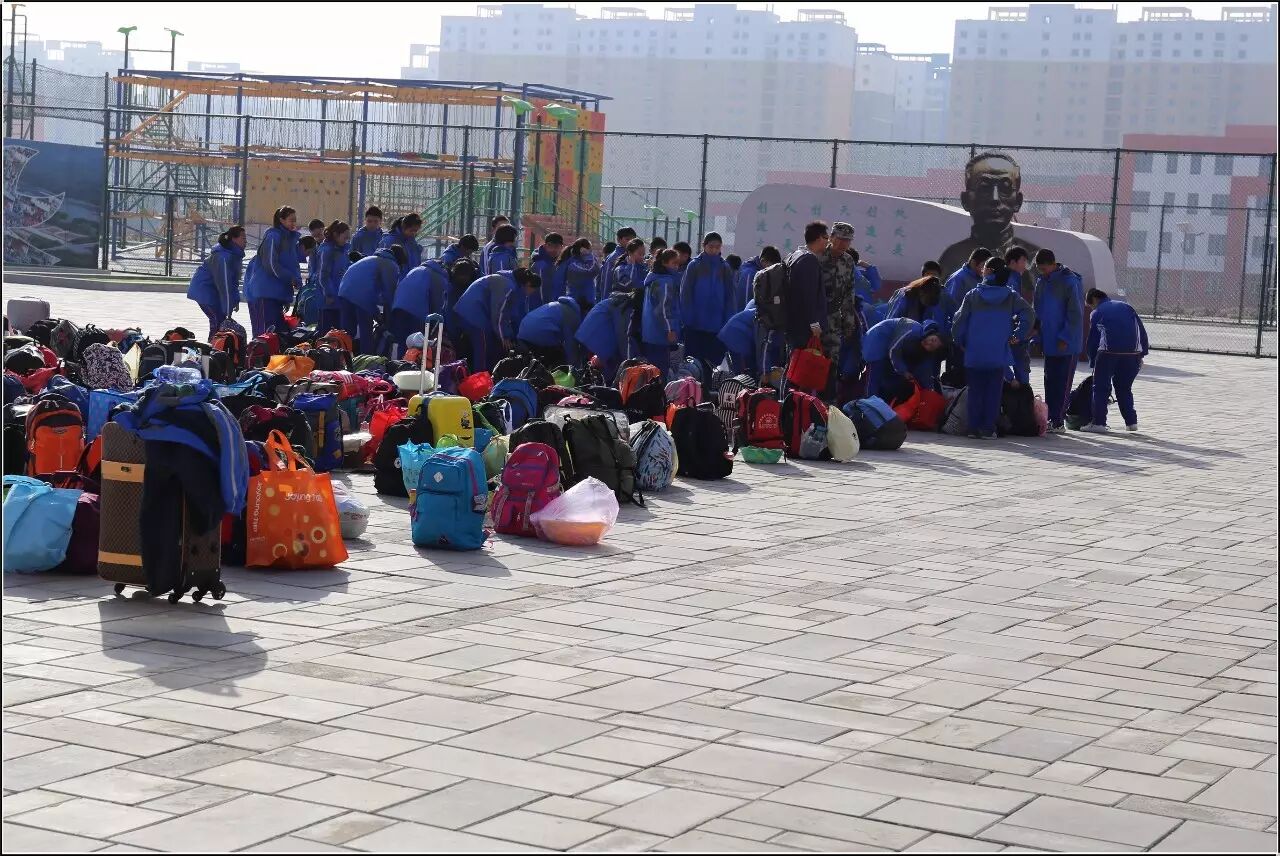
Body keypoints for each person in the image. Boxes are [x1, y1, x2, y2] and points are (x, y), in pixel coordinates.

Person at [952, 256, 1035, 439]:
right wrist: (1018, 335)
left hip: (975, 352)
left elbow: (959, 321)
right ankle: (988, 428)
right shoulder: (1011, 296)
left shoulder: (973, 295)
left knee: (975, 391)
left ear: (988, 272)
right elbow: (1029, 313)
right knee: (993, 393)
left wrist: (960, 341)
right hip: (998, 352)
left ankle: (973, 428)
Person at [938, 151, 1041, 280]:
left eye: (1005, 188)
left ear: (1018, 201)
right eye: (984, 188)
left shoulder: (1035, 260)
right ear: (966, 200)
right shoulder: (952, 259)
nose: (995, 198)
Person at [1034, 249, 1086, 432]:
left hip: (1066, 343)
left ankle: (1058, 421)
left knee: (1062, 383)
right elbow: (1037, 309)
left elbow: (1075, 313)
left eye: (1044, 268)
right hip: (1049, 341)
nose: (1042, 272)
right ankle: (1050, 417)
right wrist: (1037, 334)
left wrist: (1065, 336)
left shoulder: (1070, 281)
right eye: (1039, 269)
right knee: (1050, 380)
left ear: (1053, 264)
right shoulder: (1042, 281)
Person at [1084, 287, 1148, 433]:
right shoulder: (1127, 307)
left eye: (1090, 305)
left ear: (1094, 300)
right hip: (1132, 354)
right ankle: (1131, 422)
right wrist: (1142, 353)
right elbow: (1141, 330)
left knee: (1101, 387)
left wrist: (1092, 360)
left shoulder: (1097, 312)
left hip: (1108, 353)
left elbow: (1093, 339)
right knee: (1124, 388)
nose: (1091, 308)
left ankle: (1099, 423)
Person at [454, 267, 540, 371]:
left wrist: (510, 334)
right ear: (528, 284)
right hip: (474, 315)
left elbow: (509, 315)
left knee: (486, 348)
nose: (530, 294)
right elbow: (498, 313)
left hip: (470, 312)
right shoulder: (507, 286)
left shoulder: (508, 282)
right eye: (532, 291)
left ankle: (481, 374)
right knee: (483, 350)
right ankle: (481, 377)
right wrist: (504, 336)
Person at [679, 232, 736, 366]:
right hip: (695, 325)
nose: (714, 250)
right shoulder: (694, 265)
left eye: (717, 247)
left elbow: (730, 297)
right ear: (703, 246)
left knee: (713, 364)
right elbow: (685, 294)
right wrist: (687, 319)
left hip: (717, 325)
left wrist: (729, 321)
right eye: (711, 247)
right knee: (693, 363)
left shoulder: (725, 268)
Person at [244, 206, 302, 337]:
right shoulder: (273, 236)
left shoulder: (289, 239)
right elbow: (270, 263)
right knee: (265, 333)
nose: (294, 223)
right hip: (266, 292)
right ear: (281, 220)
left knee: (277, 333)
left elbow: (292, 264)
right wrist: (290, 279)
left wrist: (288, 291)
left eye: (295, 220)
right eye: (291, 220)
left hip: (277, 293)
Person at [337, 244, 406, 354]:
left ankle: (342, 358)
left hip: (344, 291)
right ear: (399, 260)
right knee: (366, 333)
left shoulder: (372, 259)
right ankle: (366, 360)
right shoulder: (391, 265)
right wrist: (387, 320)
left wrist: (376, 312)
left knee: (347, 332)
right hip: (362, 296)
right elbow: (390, 295)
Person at [862, 318, 946, 400]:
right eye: (932, 340)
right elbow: (893, 349)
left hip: (886, 349)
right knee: (874, 377)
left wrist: (930, 392)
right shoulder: (913, 329)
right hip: (877, 341)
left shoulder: (921, 346)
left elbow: (924, 372)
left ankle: (875, 403)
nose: (929, 343)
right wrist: (903, 371)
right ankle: (868, 404)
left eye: (931, 347)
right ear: (931, 334)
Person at [187, 226, 245, 339]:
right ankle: (213, 347)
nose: (246, 241)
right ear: (234, 239)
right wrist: (228, 309)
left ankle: (215, 346)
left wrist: (234, 300)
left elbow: (233, 281)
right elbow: (224, 285)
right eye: (243, 238)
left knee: (220, 321)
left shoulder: (234, 255)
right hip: (204, 290)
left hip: (214, 291)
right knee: (218, 321)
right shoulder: (223, 257)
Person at [784, 221, 829, 355]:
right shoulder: (809, 260)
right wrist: (814, 325)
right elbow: (809, 296)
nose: (828, 242)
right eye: (826, 238)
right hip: (804, 326)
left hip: (793, 322)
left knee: (794, 359)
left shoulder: (795, 255)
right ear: (819, 238)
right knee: (802, 362)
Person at [390, 253, 450, 346]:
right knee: (416, 345)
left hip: (398, 308)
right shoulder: (439, 277)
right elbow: (437, 305)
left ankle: (401, 356)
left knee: (404, 342)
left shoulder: (415, 270)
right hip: (416, 313)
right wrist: (437, 325)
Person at [640, 248, 682, 379]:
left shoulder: (654, 279)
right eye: (674, 263)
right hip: (660, 334)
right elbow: (664, 308)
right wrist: (670, 329)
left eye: (678, 263)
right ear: (664, 263)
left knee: (652, 371)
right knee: (660, 371)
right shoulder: (665, 282)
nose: (676, 267)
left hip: (650, 332)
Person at [576, 290, 634, 383]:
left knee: (591, 372)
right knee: (605, 374)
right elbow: (622, 335)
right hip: (597, 341)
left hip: (586, 336)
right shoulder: (625, 308)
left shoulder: (614, 301)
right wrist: (628, 361)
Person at [518, 295, 584, 367]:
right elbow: (571, 347)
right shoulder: (573, 315)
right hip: (538, 335)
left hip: (522, 330)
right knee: (560, 360)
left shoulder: (558, 305)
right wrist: (575, 368)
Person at [750, 245, 785, 376]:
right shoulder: (786, 273)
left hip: (765, 322)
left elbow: (757, 300)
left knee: (763, 354)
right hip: (783, 323)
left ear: (763, 260)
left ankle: (764, 380)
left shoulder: (762, 275)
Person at [314, 220, 352, 337]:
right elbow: (323, 275)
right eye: (344, 238)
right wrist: (328, 294)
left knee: (338, 333)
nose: (346, 241)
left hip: (339, 297)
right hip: (328, 299)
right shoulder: (327, 250)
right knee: (325, 332)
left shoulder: (342, 250)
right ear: (335, 234)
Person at [1003, 246, 1034, 385]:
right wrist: (1019, 332)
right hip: (1012, 333)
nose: (1025, 265)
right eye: (1023, 261)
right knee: (1020, 366)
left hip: (1011, 331)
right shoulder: (1010, 281)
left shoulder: (1014, 278)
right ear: (1012, 262)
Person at [555, 238, 602, 309]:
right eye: (589, 249)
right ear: (583, 249)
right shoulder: (573, 263)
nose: (591, 252)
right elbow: (590, 269)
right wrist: (588, 255)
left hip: (584, 301)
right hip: (577, 301)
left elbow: (597, 270)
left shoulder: (576, 261)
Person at [718, 299, 759, 377]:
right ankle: (741, 380)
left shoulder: (755, 302)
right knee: (742, 369)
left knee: (740, 366)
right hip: (738, 334)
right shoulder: (760, 306)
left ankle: (739, 379)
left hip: (734, 330)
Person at [598, 227, 637, 299]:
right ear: (618, 240)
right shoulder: (613, 258)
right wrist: (606, 300)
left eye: (633, 240)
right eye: (627, 239)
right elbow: (607, 282)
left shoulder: (633, 255)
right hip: (614, 299)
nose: (631, 242)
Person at [530, 232, 564, 303]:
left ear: (561, 247)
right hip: (541, 307)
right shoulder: (542, 265)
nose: (553, 249)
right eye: (550, 246)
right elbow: (543, 293)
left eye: (556, 246)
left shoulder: (553, 262)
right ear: (545, 246)